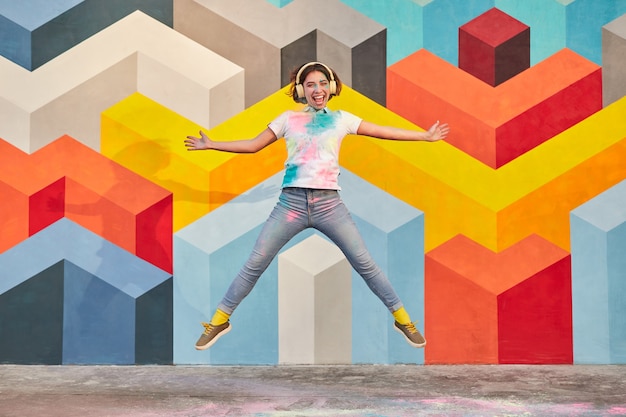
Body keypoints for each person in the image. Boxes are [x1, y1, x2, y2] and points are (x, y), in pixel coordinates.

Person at [185, 61, 449, 351]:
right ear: (301, 90)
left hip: (329, 205)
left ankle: (403, 320)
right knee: (254, 264)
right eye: (310, 85)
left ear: (331, 87)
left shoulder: (342, 119)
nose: (317, 89)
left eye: (322, 83)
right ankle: (220, 321)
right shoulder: (287, 119)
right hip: (291, 203)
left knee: (366, 265)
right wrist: (212, 145)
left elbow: (382, 131)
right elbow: (253, 145)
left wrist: (425, 136)